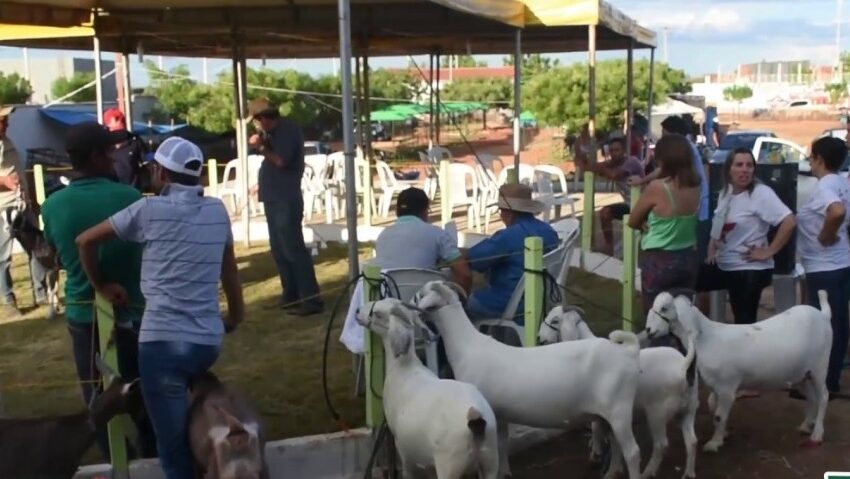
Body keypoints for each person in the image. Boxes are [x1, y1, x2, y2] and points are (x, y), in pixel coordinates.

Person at [76, 136, 245, 479]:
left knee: (171, 447)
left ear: (162, 174)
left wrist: (101, 284)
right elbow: (230, 270)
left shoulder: (147, 210)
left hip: (162, 345)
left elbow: (85, 240)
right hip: (208, 343)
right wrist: (235, 316)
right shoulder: (217, 211)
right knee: (189, 421)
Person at [41, 121, 156, 459]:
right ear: (94, 156)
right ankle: (153, 456)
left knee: (96, 396)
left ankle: (118, 458)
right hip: (131, 310)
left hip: (83, 314)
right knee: (142, 391)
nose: (113, 157)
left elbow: (54, 254)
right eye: (108, 151)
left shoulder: (53, 205)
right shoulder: (130, 198)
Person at [695, 148, 796, 325]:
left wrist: (768, 251)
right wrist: (712, 247)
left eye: (749, 165)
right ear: (729, 169)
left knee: (743, 322)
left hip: (748, 267)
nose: (745, 170)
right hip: (725, 263)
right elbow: (719, 223)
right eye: (739, 165)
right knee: (691, 282)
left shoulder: (761, 193)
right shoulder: (725, 193)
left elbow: (789, 221)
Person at [248, 97, 323, 316]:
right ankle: (291, 295)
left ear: (263, 117)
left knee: (293, 249)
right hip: (273, 196)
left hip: (286, 199)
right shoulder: (271, 133)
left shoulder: (287, 130)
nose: (258, 124)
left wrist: (261, 147)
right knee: (279, 249)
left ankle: (311, 299)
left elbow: (281, 161)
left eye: (258, 120)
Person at [795, 136, 850, 397]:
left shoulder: (825, 187)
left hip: (824, 268)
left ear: (819, 159)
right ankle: (830, 379)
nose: (810, 161)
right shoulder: (842, 183)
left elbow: (837, 212)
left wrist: (826, 235)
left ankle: (824, 383)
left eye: (811, 156)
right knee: (838, 323)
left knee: (824, 328)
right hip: (841, 263)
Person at [628, 134, 702, 314]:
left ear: (663, 159)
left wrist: (643, 222)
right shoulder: (695, 185)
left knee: (656, 316)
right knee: (682, 314)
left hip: (659, 260)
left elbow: (633, 220)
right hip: (687, 258)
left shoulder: (657, 187)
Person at [465, 183, 559, 322]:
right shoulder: (548, 230)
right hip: (543, 295)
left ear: (509, 212)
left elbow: (474, 259)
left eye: (501, 211)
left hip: (512, 301)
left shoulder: (508, 236)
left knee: (465, 303)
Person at [0, 105, 48, 318]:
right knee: (3, 258)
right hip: (3, 208)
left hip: (23, 205)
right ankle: (9, 301)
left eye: (6, 121)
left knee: (37, 250)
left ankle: (42, 294)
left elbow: (18, 170)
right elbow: (7, 177)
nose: (6, 124)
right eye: (2, 121)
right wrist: (4, 181)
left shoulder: (7, 141)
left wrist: (31, 198)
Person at [375, 187, 472, 292]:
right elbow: (465, 275)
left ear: (397, 211)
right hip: (425, 299)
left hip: (388, 298)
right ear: (425, 211)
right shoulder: (437, 234)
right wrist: (460, 299)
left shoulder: (382, 236)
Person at [576, 136, 645, 255]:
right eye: (611, 150)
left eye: (617, 150)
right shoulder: (612, 163)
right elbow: (589, 167)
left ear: (624, 151)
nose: (614, 153)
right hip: (630, 204)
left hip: (644, 205)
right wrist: (581, 156)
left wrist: (599, 167)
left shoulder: (631, 162)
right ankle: (609, 248)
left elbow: (614, 175)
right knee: (605, 213)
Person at [103, 108, 148, 190]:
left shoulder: (135, 140)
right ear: (108, 128)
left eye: (120, 131)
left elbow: (147, 163)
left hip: (133, 190)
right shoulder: (102, 144)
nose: (119, 135)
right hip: (110, 191)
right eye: (115, 132)